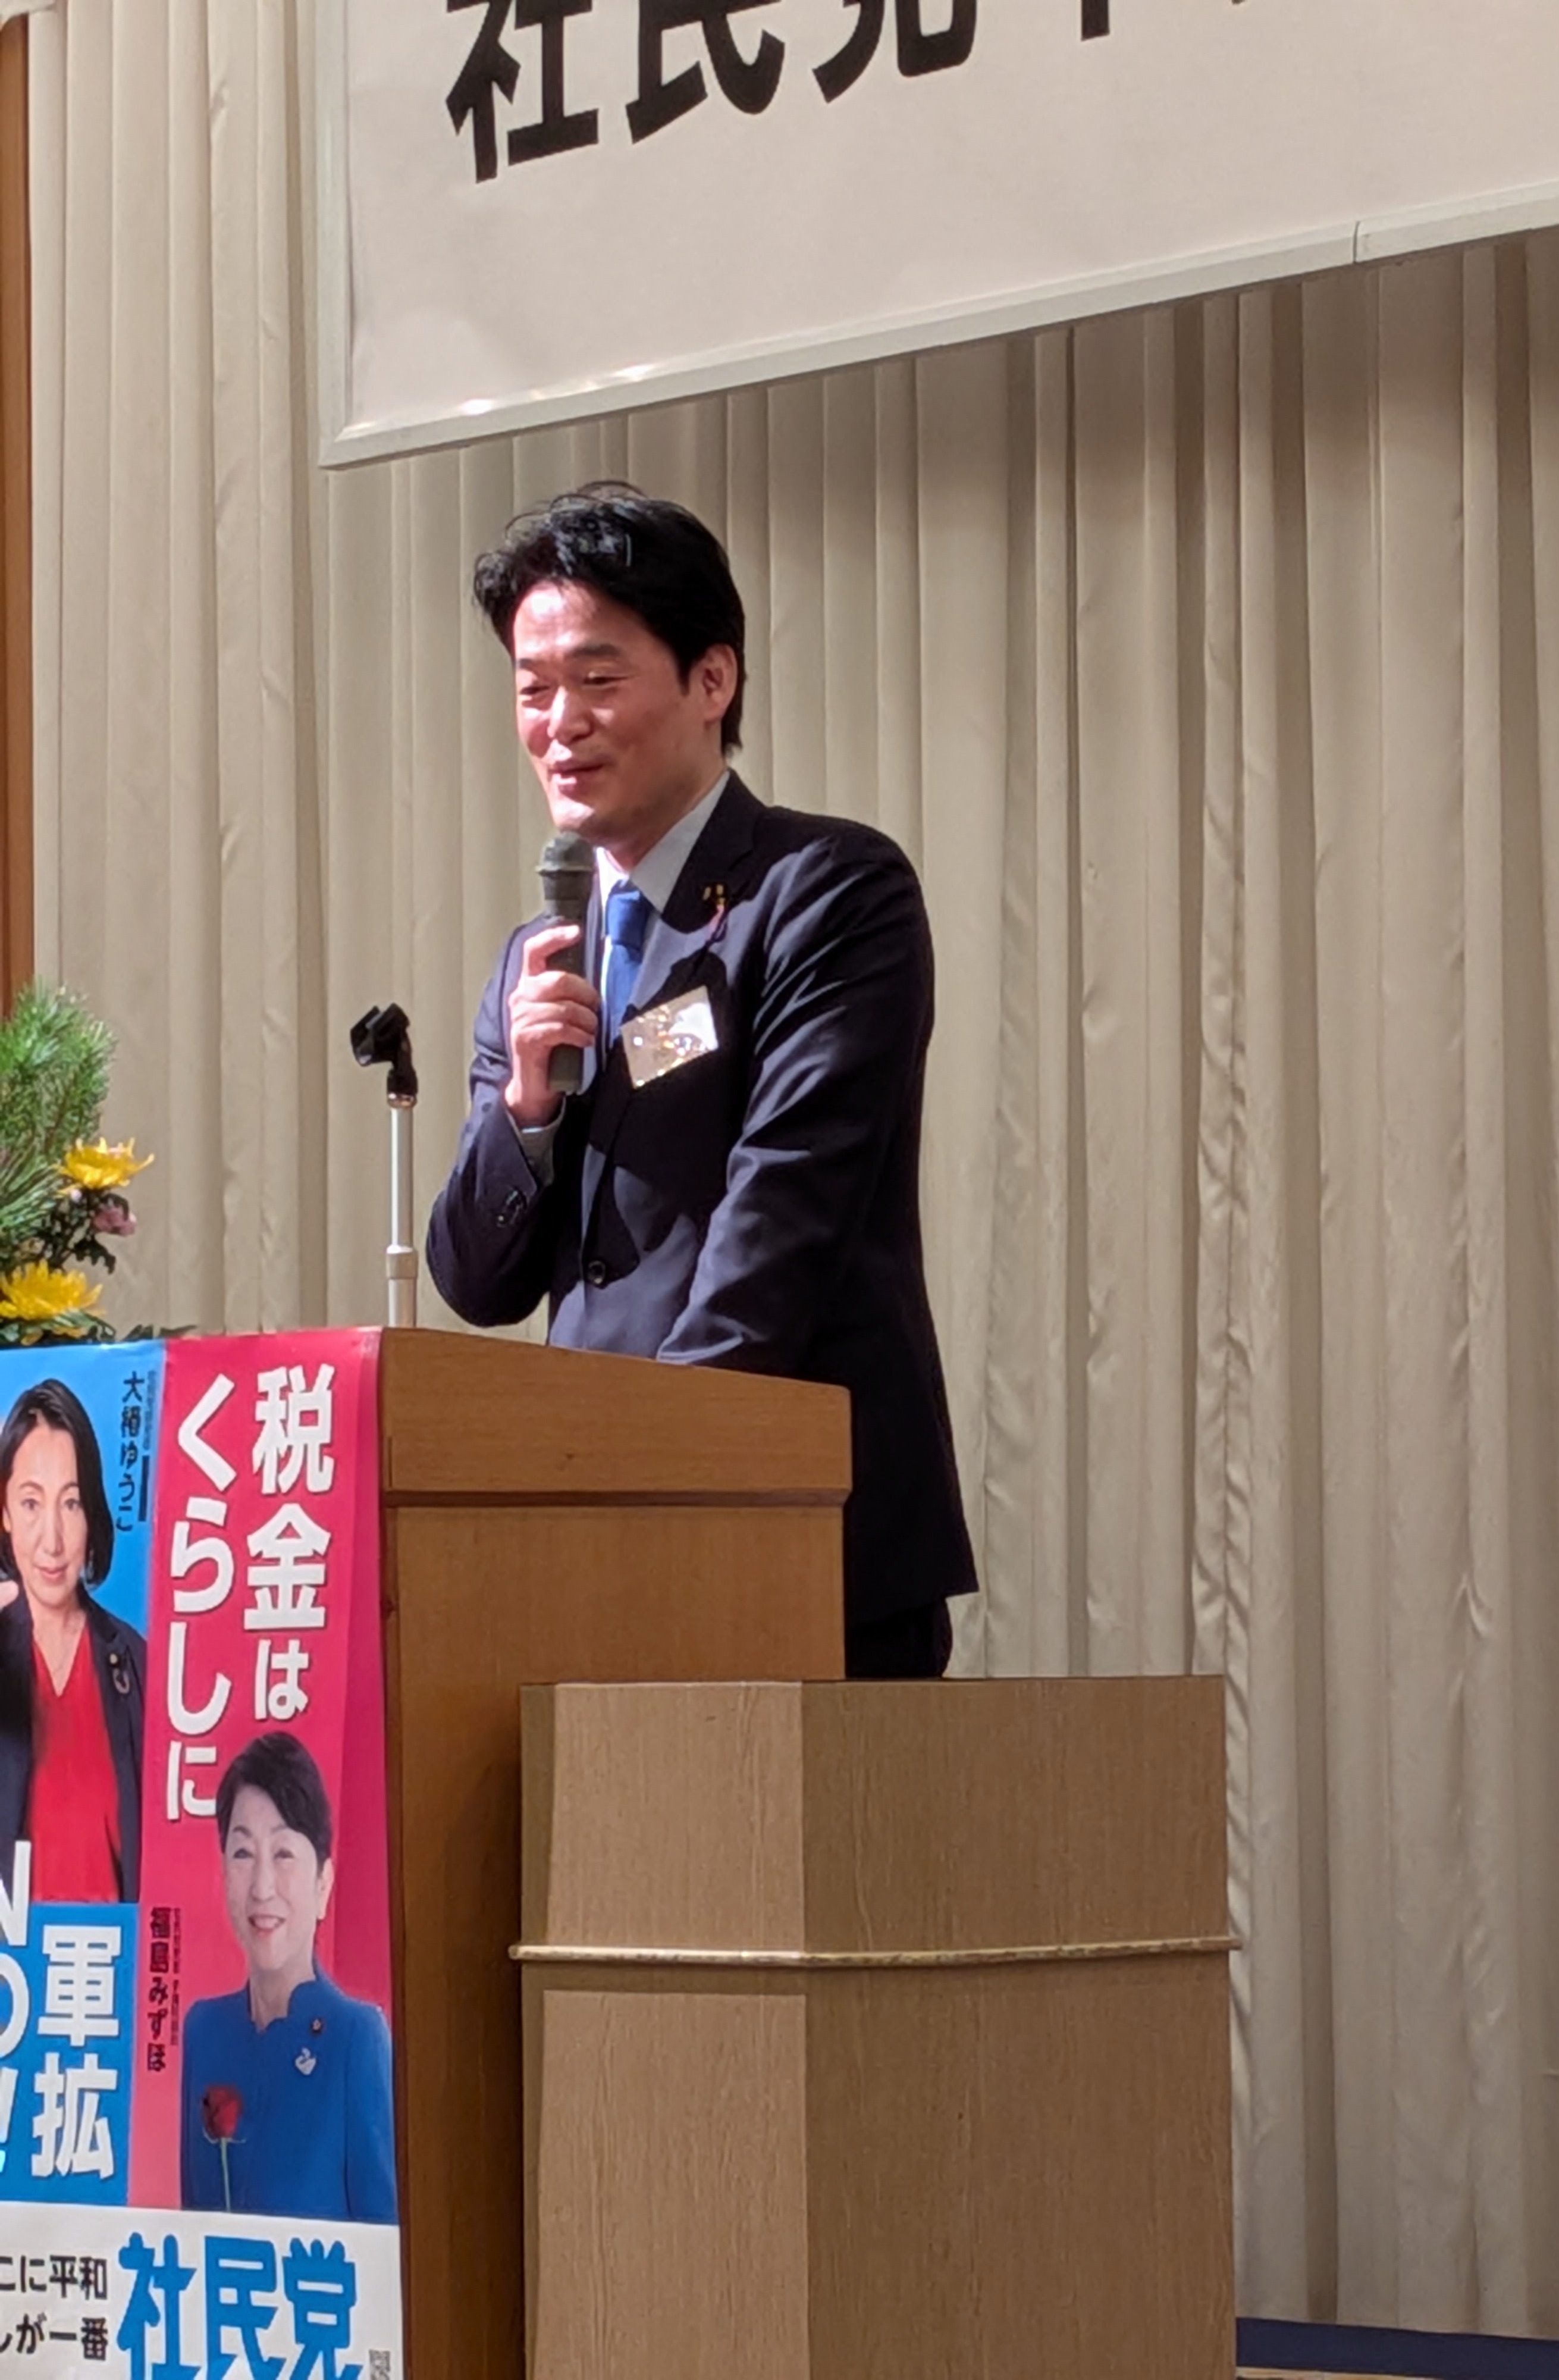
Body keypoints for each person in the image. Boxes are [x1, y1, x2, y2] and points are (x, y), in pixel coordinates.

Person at [427, 483, 977, 1675]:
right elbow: (476, 1280)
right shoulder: (541, 957)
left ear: (712, 679)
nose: (559, 723)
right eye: (532, 688)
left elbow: (786, 1209)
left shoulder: (826, 890)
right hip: (599, 1534)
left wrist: (654, 1477)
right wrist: (525, 1111)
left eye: (598, 677)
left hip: (798, 1532)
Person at [180, 1730, 397, 2223]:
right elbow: (194, 2225)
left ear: (323, 1884)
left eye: (283, 1855)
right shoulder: (204, 2031)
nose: (262, 1887)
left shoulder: (357, 2039)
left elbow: (383, 2244)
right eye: (243, 1854)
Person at [0, 1377, 145, 1901]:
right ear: (4, 1513)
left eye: (72, 1504)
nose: (53, 1541)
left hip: (112, 1951)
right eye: (31, 1503)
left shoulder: (135, 1660)